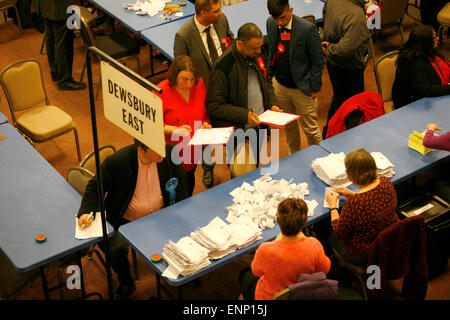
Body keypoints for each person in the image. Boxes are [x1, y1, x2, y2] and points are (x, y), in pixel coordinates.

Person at [77, 139, 188, 299]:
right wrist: (85, 212)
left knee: (186, 233)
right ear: (141, 150)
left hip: (163, 214)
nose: (162, 152)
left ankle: (183, 271)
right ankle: (126, 281)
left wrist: (178, 208)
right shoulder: (117, 161)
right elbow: (95, 187)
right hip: (126, 220)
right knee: (113, 248)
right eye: (157, 149)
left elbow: (181, 181)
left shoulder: (169, 152)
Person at [207, 22, 281, 178]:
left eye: (260, 46)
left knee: (253, 168)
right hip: (238, 132)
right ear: (240, 43)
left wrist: (272, 103)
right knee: (240, 176)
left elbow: (266, 81)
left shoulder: (257, 54)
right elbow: (215, 105)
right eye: (255, 47)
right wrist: (244, 115)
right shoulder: (223, 66)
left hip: (258, 126)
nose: (259, 51)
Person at [174, 0, 234, 188]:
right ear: (202, 13)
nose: (221, 14)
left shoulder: (221, 22)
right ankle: (208, 168)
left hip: (226, 91)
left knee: (229, 132)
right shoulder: (183, 36)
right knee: (206, 135)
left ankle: (232, 165)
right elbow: (180, 69)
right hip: (202, 95)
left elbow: (230, 42)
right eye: (216, 11)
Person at [239, 198, 331, 300]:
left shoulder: (265, 249)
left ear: (278, 221)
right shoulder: (314, 245)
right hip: (302, 294)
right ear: (304, 222)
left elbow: (256, 272)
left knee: (245, 275)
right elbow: (324, 269)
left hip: (270, 296)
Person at [266, 0, 324, 154]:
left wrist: (315, 88)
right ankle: (294, 157)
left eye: (283, 18)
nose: (280, 22)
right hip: (280, 85)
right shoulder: (271, 24)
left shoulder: (307, 29)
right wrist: (270, 80)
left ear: (290, 10)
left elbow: (318, 60)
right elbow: (272, 52)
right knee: (289, 127)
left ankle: (320, 156)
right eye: (276, 18)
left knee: (311, 129)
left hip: (302, 89)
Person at [325, 148, 398, 266]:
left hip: (366, 254)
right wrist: (352, 194)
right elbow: (373, 202)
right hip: (390, 242)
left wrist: (333, 206)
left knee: (327, 232)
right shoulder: (386, 183)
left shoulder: (354, 204)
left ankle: (334, 267)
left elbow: (340, 232)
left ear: (351, 175)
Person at [156, 55, 212, 196]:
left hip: (192, 152)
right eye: (184, 79)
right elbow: (153, 123)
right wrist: (175, 130)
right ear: (175, 76)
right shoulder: (161, 91)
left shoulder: (199, 85)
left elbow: (204, 112)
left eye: (192, 79)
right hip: (170, 154)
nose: (189, 84)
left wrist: (206, 123)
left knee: (188, 186)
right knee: (172, 194)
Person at [321, 0, 373, 138]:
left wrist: (328, 48)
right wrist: (331, 49)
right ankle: (342, 135)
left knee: (339, 97)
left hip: (333, 63)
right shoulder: (356, 16)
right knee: (352, 102)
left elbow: (325, 17)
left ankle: (329, 133)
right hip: (350, 66)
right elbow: (345, 49)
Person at [392, 26, 450, 109]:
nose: (438, 38)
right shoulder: (411, 62)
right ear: (425, 42)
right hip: (411, 106)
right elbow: (426, 89)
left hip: (429, 99)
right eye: (434, 38)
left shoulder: (426, 51)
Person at [34, 0, 86, 90]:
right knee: (64, 42)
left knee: (51, 38)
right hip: (60, 8)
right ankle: (64, 80)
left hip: (44, 5)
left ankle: (56, 73)